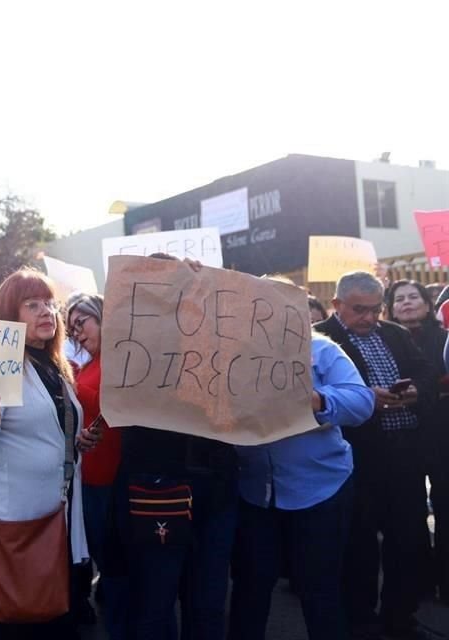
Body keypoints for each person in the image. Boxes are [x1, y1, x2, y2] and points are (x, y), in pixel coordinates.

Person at [105, 254, 236, 640]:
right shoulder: (130, 342)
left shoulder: (215, 332)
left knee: (209, 601)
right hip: (157, 485)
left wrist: (208, 289)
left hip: (218, 485)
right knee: (156, 602)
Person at [0, 269, 97, 640]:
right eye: (33, 304)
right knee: (21, 623)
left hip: (59, 512)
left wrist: (76, 441)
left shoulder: (56, 366)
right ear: (11, 314)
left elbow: (50, 427)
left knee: (56, 619)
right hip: (19, 523)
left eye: (51, 304)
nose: (47, 312)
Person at [228, 328, 374, 640]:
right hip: (253, 490)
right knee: (250, 585)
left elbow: (362, 402)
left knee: (319, 587)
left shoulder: (321, 349)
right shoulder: (226, 352)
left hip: (320, 487)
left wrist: (317, 400)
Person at [314, 271, 434, 639]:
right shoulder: (322, 338)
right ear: (337, 305)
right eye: (359, 310)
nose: (368, 318)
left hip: (404, 451)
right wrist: (364, 398)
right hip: (355, 454)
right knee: (359, 541)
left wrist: (416, 390)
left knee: (407, 536)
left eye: (375, 309)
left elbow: (426, 373)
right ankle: (361, 617)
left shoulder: (395, 333)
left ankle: (401, 615)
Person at [65, 293, 127, 636]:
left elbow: (115, 406)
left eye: (81, 323)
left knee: (118, 574)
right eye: (72, 329)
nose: (77, 333)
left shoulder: (120, 361)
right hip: (89, 479)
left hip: (114, 483)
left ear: (102, 317)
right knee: (107, 568)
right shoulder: (87, 365)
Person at [386, 280, 449, 601]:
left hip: (442, 435)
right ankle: (419, 583)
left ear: (427, 304)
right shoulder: (385, 340)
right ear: (390, 307)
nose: (407, 303)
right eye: (399, 299)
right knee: (409, 515)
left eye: (414, 297)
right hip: (402, 440)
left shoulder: (444, 339)